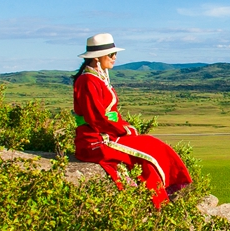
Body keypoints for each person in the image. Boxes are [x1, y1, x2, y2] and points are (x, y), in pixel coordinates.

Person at [72, 33, 191, 209]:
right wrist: (123, 131)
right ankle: (157, 204)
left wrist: (126, 126)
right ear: (98, 58)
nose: (115, 57)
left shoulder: (98, 79)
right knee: (144, 156)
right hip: (94, 140)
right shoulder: (87, 81)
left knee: (152, 145)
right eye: (111, 54)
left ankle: (166, 194)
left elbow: (110, 114)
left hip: (105, 133)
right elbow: (95, 118)